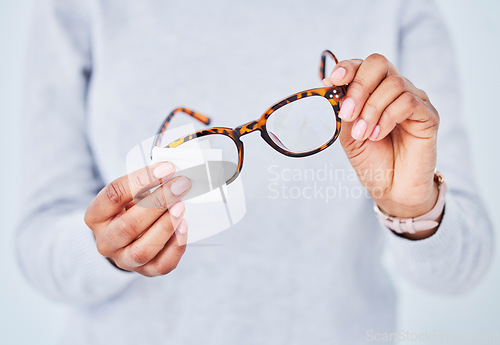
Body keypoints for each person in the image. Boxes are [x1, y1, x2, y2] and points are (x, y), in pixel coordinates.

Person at [16, 0, 493, 344]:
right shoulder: (74, 8)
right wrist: (106, 245)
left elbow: (462, 272)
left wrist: (412, 208)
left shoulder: (399, 9)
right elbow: (37, 243)